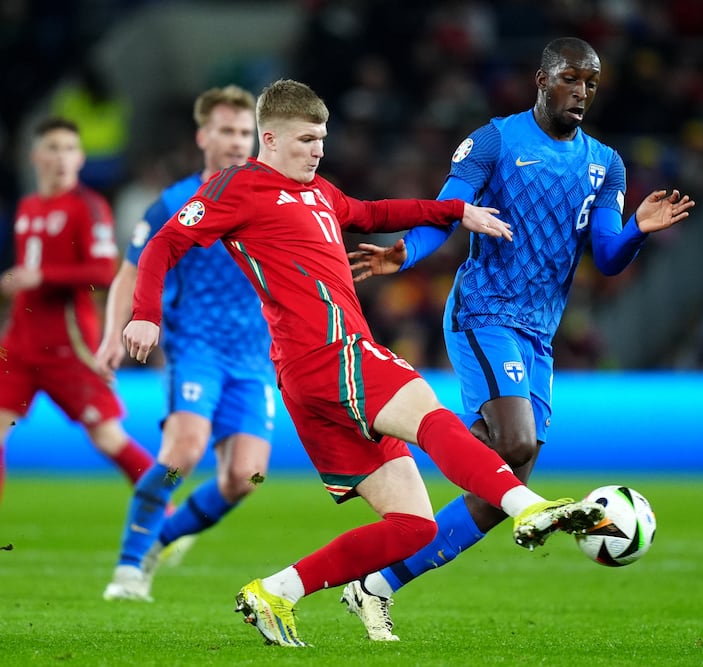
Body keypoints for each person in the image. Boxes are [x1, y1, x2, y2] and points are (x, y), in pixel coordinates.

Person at [121, 78, 607, 647]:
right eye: (305, 139)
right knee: (427, 409)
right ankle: (526, 507)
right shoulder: (240, 186)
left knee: (413, 527)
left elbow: (374, 212)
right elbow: (163, 244)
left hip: (312, 378)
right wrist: (145, 314)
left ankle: (277, 591)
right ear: (269, 138)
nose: (317, 150)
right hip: (329, 353)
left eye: (322, 138)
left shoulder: (320, 193)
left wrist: (455, 210)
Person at [344, 36, 696, 641]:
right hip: (484, 312)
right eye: (570, 79)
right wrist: (405, 256)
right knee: (514, 445)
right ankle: (408, 439)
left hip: (539, 333)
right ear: (540, 79)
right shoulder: (496, 142)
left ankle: (378, 583)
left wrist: (637, 228)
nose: (581, 91)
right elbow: (447, 209)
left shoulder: (606, 163)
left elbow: (608, 257)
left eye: (590, 82)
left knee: (511, 474)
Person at [98, 86, 274, 602]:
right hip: (195, 348)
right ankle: (129, 569)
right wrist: (115, 331)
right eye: (226, 130)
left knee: (247, 476)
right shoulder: (175, 203)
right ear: (203, 136)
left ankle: (161, 540)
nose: (237, 142)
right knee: (183, 453)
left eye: (245, 133)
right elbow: (129, 272)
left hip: (255, 357)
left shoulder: (272, 198)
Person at [0, 118, 154, 503]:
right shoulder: (28, 206)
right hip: (20, 345)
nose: (62, 157)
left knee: (107, 437)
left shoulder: (89, 206)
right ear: (36, 156)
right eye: (53, 148)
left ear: (81, 158)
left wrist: (42, 276)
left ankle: (165, 513)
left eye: (69, 148)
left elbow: (103, 270)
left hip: (69, 346)